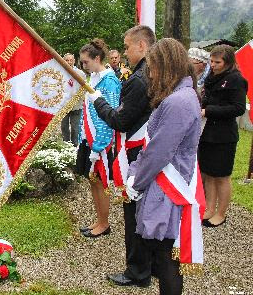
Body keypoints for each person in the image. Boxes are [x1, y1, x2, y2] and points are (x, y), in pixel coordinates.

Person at [126, 37, 204, 295]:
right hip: (164, 185)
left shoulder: (178, 101)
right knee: (163, 257)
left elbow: (159, 152)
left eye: (154, 66)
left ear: (166, 65)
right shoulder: (181, 96)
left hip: (167, 189)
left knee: (165, 259)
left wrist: (135, 181)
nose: (151, 73)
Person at [88, 25, 156, 287]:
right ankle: (150, 264)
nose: (124, 52)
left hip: (137, 152)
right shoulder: (151, 71)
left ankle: (137, 271)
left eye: (127, 46)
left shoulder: (139, 79)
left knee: (134, 211)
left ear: (141, 45)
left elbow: (121, 120)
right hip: (147, 149)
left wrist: (98, 101)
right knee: (145, 210)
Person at [76, 39, 121, 238]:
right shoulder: (93, 78)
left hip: (100, 141)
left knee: (101, 181)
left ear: (97, 58)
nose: (82, 66)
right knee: (92, 180)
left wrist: (99, 145)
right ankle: (99, 219)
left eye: (86, 62)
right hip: (89, 137)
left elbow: (109, 115)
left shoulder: (109, 80)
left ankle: (104, 223)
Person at [199, 44, 248, 227]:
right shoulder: (212, 77)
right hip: (207, 133)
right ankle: (210, 209)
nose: (212, 65)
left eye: (217, 62)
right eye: (211, 61)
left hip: (223, 136)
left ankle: (221, 213)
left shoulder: (236, 80)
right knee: (208, 174)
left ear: (228, 62)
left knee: (222, 176)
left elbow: (238, 108)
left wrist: (208, 111)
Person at [61, 53, 85, 146]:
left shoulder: (80, 74)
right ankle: (66, 146)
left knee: (75, 128)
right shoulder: (60, 73)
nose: (69, 62)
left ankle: (75, 146)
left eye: (71, 60)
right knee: (64, 127)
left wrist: (80, 99)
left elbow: (83, 89)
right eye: (67, 60)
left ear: (74, 61)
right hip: (64, 106)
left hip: (76, 105)